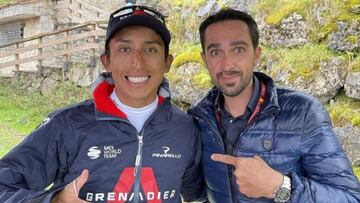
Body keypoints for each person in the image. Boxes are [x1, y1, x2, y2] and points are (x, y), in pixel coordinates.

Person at [0, 5, 205, 203]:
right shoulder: (66, 125)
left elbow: (201, 192)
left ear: (167, 62)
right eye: (124, 49)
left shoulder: (186, 129)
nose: (137, 62)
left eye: (150, 50)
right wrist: (52, 200)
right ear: (106, 61)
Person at [188, 8, 360, 203]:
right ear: (204, 60)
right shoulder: (197, 118)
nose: (227, 64)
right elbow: (196, 191)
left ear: (256, 54)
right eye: (215, 52)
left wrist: (279, 187)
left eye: (238, 49)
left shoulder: (303, 112)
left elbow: (350, 197)